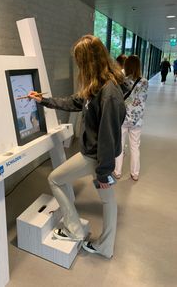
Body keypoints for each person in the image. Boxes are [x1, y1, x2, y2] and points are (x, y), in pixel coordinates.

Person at [28, 35, 126, 259]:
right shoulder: (96, 86)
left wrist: (103, 172)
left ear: (89, 61)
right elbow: (74, 102)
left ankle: (80, 233)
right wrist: (43, 100)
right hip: (94, 156)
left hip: (96, 158)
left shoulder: (109, 93)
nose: (79, 67)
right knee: (108, 200)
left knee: (55, 179)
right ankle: (103, 246)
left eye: (81, 62)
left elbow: (108, 137)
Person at [114, 55, 148, 181]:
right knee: (135, 146)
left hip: (122, 118)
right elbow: (143, 100)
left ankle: (117, 171)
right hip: (136, 120)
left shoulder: (120, 80)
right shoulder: (144, 81)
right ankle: (135, 173)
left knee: (119, 145)